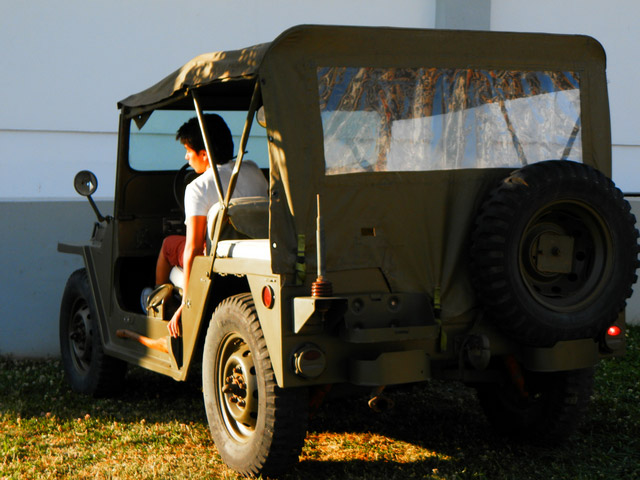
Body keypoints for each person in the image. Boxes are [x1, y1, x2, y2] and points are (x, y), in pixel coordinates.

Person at [147, 114, 268, 338]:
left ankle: (157, 302)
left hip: (215, 259)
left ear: (204, 154)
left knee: (168, 245)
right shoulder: (253, 170)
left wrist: (188, 303)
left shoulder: (197, 187)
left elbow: (193, 248)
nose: (186, 157)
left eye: (188, 151)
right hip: (254, 252)